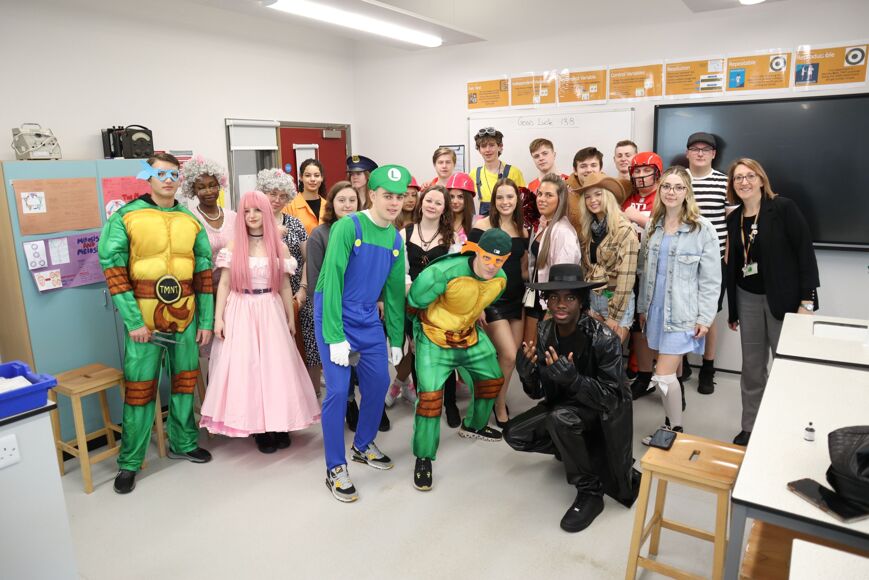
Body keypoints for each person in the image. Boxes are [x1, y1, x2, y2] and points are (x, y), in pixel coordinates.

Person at [98, 153, 213, 494]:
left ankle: (184, 442)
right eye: (160, 174)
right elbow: (113, 267)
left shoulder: (190, 221)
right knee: (140, 390)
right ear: (147, 176)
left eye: (174, 174)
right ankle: (130, 462)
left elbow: (203, 271)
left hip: (186, 316)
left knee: (185, 382)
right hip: (144, 320)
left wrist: (206, 320)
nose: (168, 180)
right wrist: (133, 321)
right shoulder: (126, 217)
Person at [506, 264, 637, 532]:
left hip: (601, 415)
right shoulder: (545, 331)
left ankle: (591, 491)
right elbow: (539, 392)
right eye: (554, 297)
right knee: (514, 434)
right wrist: (526, 374)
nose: (560, 304)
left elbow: (613, 399)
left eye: (569, 297)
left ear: (581, 301)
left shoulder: (604, 339)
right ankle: (574, 449)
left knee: (560, 418)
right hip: (564, 408)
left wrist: (575, 381)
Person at [314, 164, 409, 503]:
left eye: (400, 197)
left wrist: (395, 338)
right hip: (334, 311)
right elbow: (331, 281)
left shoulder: (395, 238)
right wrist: (335, 335)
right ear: (372, 195)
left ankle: (363, 444)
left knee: (379, 383)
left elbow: (394, 293)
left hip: (368, 316)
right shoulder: (348, 226)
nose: (394, 203)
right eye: (388, 196)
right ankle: (335, 468)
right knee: (339, 391)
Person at [200, 191, 320, 448]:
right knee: (249, 369)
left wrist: (290, 318)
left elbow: (285, 285)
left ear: (266, 213)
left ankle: (279, 423)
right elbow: (224, 284)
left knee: (276, 368)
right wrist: (218, 319)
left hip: (270, 308)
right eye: (246, 211)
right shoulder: (234, 246)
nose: (252, 216)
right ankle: (259, 429)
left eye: (257, 210)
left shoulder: (279, 246)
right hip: (240, 308)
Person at [408, 228, 512, 491]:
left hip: (468, 335)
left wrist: (472, 313)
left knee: (492, 379)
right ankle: (423, 457)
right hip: (434, 337)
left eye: (499, 260)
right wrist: (412, 335)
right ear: (477, 251)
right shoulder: (443, 273)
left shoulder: (500, 280)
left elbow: (479, 300)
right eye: (487, 258)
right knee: (430, 399)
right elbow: (414, 302)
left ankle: (474, 425)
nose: (492, 265)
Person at [725, 158, 819, 447]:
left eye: (749, 176)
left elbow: (805, 254)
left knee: (787, 366)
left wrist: (807, 302)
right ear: (732, 185)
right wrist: (733, 310)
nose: (744, 182)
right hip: (747, 298)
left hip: (785, 299)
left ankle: (789, 426)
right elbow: (733, 267)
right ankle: (750, 427)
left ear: (761, 179)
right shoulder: (734, 218)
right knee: (752, 368)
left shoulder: (783, 208)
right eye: (738, 178)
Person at [636, 167, 721, 443]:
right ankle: (671, 425)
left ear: (687, 192)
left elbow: (711, 280)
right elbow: (644, 272)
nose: (671, 192)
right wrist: (642, 308)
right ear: (660, 190)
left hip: (682, 313)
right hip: (656, 311)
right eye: (666, 186)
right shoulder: (653, 225)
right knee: (668, 375)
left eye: (678, 187)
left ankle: (674, 431)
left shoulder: (702, 229)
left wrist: (705, 318)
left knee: (662, 376)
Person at [258, 169, 321, 415]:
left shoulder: (295, 223)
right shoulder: (253, 223)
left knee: (309, 337)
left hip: (296, 291)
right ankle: (278, 399)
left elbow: (308, 259)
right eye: (271, 194)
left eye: (282, 195)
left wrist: (303, 289)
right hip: (264, 294)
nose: (277, 199)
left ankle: (311, 395)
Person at [387, 185, 454, 409]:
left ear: (444, 209)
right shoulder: (404, 233)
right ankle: (420, 398)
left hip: (439, 305)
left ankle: (446, 403)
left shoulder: (452, 238)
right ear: (421, 203)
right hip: (410, 302)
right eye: (428, 201)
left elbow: (453, 275)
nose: (432, 206)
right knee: (413, 350)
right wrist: (413, 294)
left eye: (438, 203)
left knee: (439, 352)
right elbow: (400, 271)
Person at [469, 178, 529, 427]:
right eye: (500, 197)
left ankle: (495, 397)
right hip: (492, 301)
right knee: (508, 354)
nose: (505, 202)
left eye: (510, 197)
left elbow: (523, 269)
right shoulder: (481, 227)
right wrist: (477, 304)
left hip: (517, 300)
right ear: (493, 201)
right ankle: (499, 404)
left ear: (517, 200)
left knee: (510, 359)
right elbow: (469, 268)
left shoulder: (522, 229)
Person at [304, 181, 361, 400]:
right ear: (331, 204)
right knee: (341, 364)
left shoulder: (365, 231)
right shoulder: (320, 235)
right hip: (332, 309)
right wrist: (324, 313)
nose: (347, 205)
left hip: (360, 308)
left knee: (362, 363)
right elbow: (315, 280)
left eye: (352, 200)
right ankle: (349, 404)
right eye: (341, 200)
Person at [684, 132, 731, 394]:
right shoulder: (678, 180)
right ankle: (681, 362)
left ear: (714, 154)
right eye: (695, 148)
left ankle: (708, 369)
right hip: (682, 260)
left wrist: (728, 256)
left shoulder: (724, 182)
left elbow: (732, 222)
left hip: (714, 262)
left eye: (705, 149)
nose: (700, 153)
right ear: (688, 153)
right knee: (680, 310)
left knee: (709, 315)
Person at [180, 156, 234, 362]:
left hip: (233, 293)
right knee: (214, 355)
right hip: (205, 294)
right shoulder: (188, 218)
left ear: (220, 185)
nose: (208, 191)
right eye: (201, 187)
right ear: (193, 190)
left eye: (212, 185)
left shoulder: (233, 216)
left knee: (235, 350)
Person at [576, 173, 638, 344]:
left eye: (598, 194)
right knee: (593, 354)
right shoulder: (589, 230)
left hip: (615, 300)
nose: (592, 200)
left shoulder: (624, 230)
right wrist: (587, 304)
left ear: (609, 196)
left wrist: (614, 316)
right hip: (594, 299)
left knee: (610, 353)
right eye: (587, 197)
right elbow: (587, 269)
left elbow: (626, 277)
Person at [622, 152, 663, 397]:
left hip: (655, 269)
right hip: (631, 267)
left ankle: (670, 378)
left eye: (646, 170)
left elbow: (667, 227)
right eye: (636, 171)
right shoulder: (628, 197)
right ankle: (644, 375)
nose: (640, 175)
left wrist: (637, 217)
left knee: (657, 324)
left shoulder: (664, 196)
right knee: (638, 325)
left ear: (657, 172)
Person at [524, 174, 582, 345]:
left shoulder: (563, 231)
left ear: (560, 199)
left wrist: (551, 311)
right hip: (537, 300)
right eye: (540, 194)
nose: (541, 199)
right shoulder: (545, 224)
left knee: (542, 352)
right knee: (530, 353)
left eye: (549, 195)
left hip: (550, 306)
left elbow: (564, 281)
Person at [470, 127, 525, 215]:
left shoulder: (514, 172)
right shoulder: (474, 174)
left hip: (509, 222)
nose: (487, 150)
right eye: (483, 146)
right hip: (483, 222)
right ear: (479, 150)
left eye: (491, 145)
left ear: (500, 147)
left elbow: (523, 203)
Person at [566, 146, 605, 231]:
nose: (589, 170)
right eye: (583, 166)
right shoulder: (564, 192)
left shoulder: (610, 189)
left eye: (593, 165)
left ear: (600, 169)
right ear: (575, 170)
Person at [284, 159, 326, 235]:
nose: (312, 179)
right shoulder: (289, 206)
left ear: (322, 178)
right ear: (301, 177)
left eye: (316, 175)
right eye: (308, 175)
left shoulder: (328, 206)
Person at [446, 171, 476, 246]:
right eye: (451, 197)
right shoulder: (441, 220)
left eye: (460, 197)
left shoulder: (476, 223)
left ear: (468, 199)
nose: (455, 201)